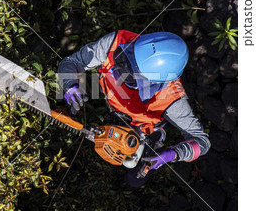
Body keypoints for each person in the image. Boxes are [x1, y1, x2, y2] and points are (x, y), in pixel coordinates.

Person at [57, 30, 210, 188]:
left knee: (134, 178)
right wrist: (69, 85)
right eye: (124, 56)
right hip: (116, 109)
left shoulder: (172, 98)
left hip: (143, 128)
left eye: (128, 73)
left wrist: (173, 154)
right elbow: (70, 63)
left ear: (151, 82)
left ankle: (152, 144)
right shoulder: (116, 42)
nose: (117, 70)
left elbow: (203, 142)